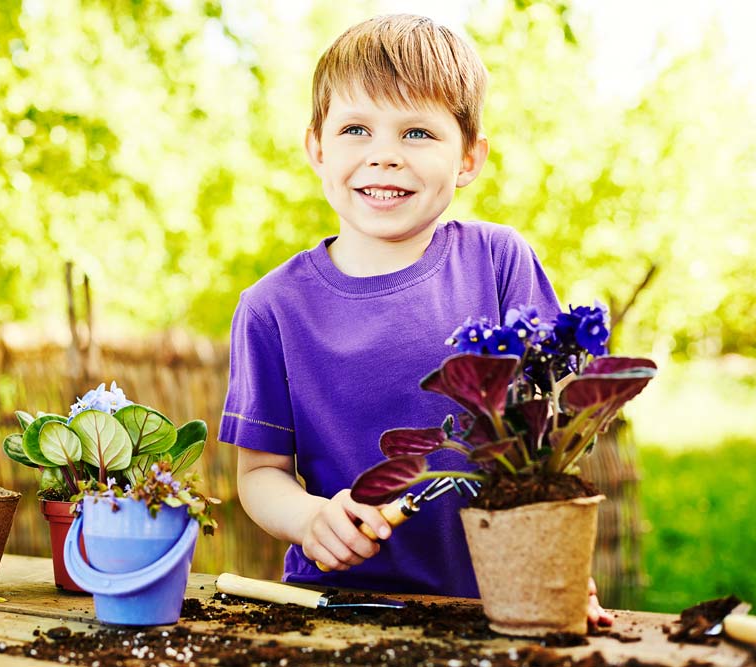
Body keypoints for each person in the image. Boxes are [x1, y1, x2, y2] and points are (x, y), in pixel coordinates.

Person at [218, 14, 611, 625]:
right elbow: (260, 475)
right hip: (336, 606)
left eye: (418, 134)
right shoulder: (272, 307)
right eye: (355, 129)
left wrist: (552, 560)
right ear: (317, 148)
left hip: (498, 598)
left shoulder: (500, 260)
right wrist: (312, 520)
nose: (384, 157)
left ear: (469, 158)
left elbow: (548, 443)